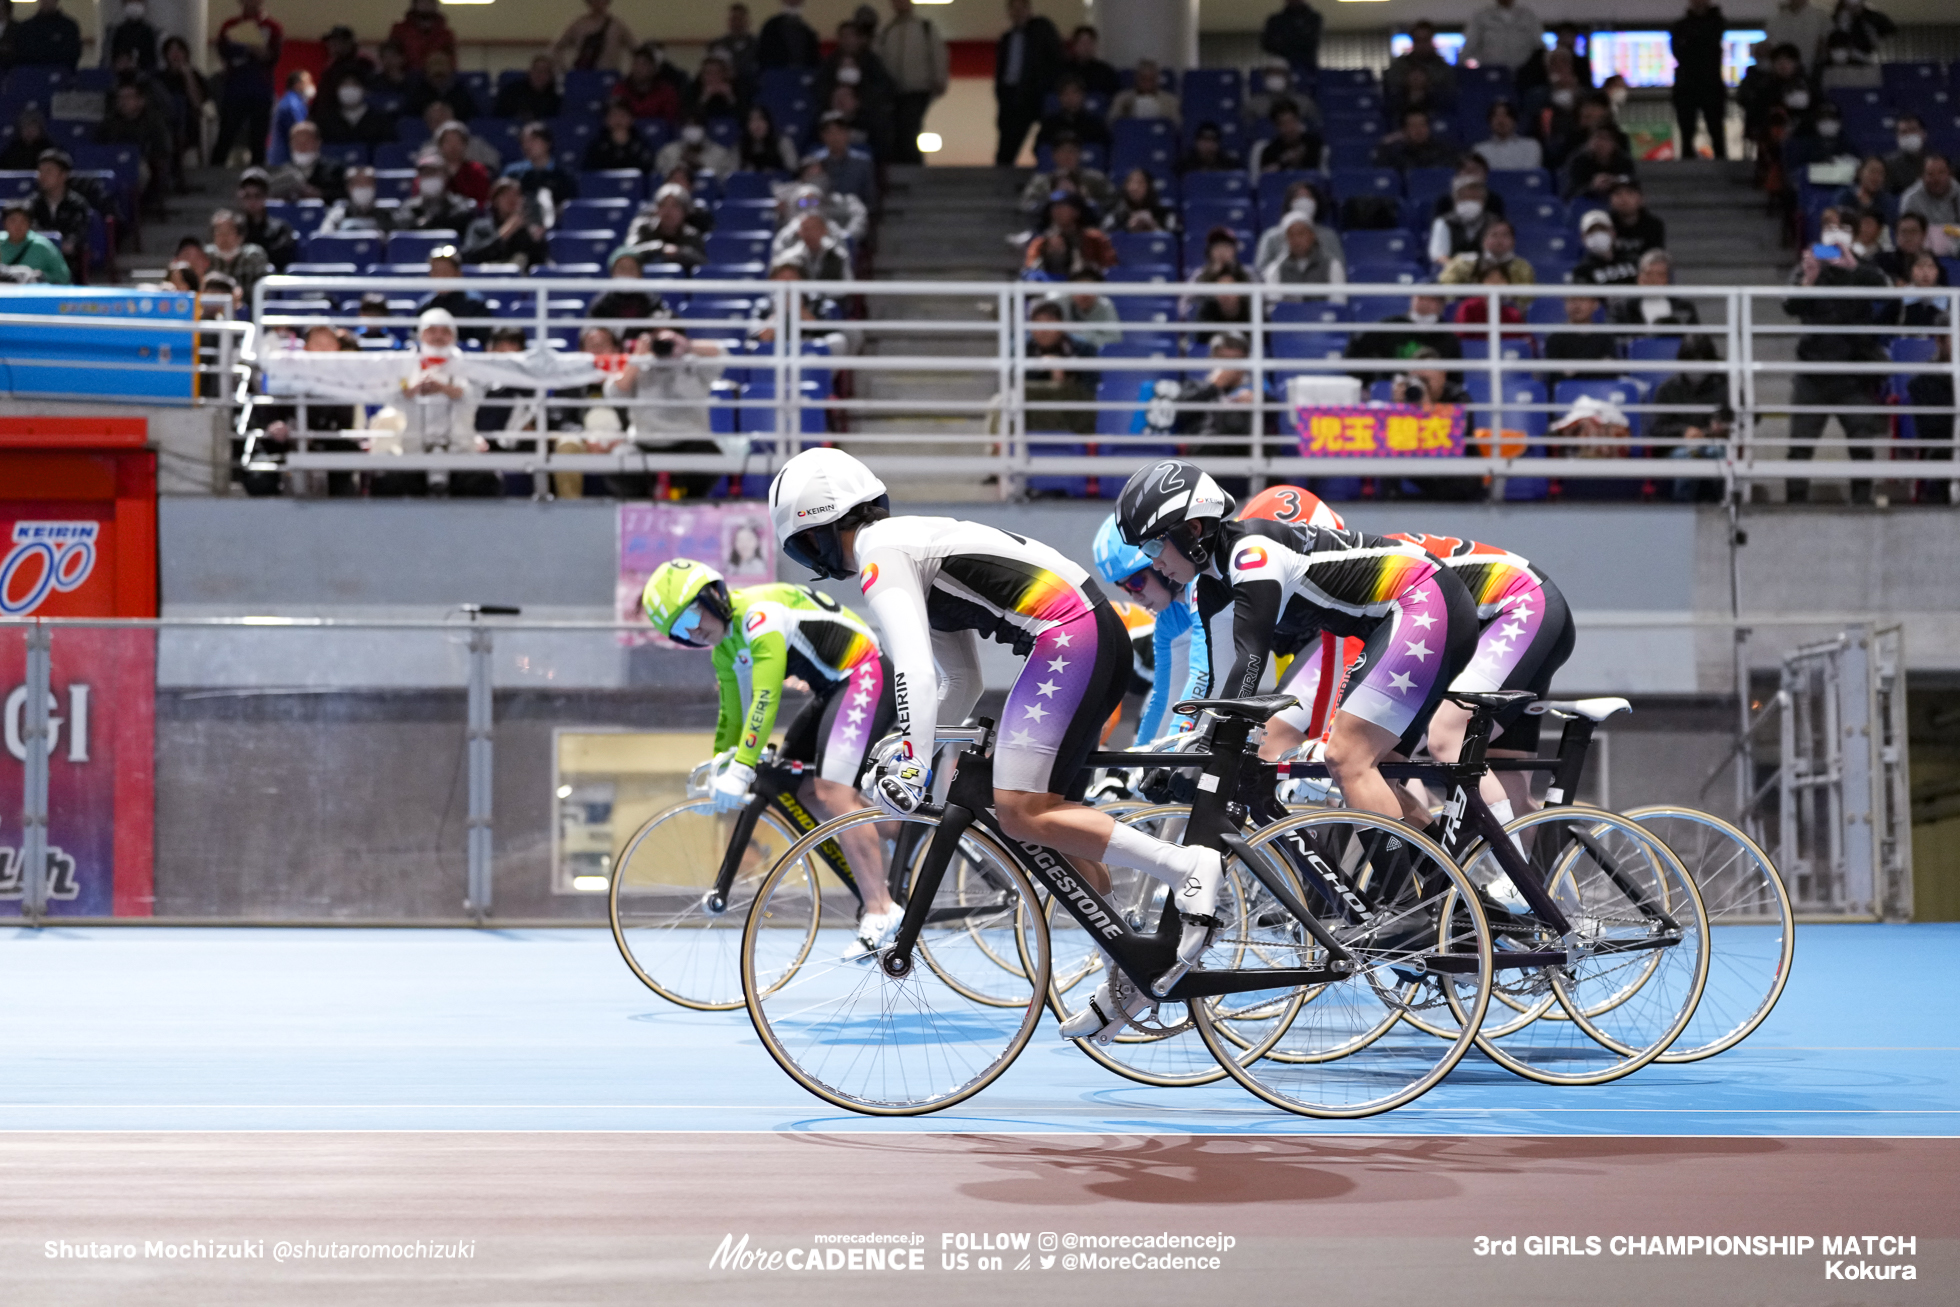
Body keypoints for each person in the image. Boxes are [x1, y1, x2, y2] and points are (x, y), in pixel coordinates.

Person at [768, 447, 1229, 1044]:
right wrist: (908, 747)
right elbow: (960, 682)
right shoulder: (910, 546)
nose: (813, 560)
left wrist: (911, 758)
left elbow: (911, 670)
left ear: (820, 532)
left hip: (1071, 638)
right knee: (1053, 825)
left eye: (804, 548)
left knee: (1018, 811)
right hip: (1086, 634)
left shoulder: (882, 552)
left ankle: (1187, 867)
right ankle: (1131, 966)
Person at [1115, 459, 1478, 830]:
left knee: (1346, 759)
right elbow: (1222, 687)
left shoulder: (1252, 553)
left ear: (1192, 529)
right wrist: (1187, 757)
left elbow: (1250, 660)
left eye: (1155, 544)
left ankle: (1398, 871)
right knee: (1379, 775)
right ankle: (1434, 865)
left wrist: (1205, 755)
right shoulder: (1212, 586)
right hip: (1412, 611)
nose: (1154, 562)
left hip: (1424, 598)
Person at [641, 560, 903, 951]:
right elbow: (733, 716)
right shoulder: (724, 651)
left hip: (865, 671)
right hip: (834, 687)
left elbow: (765, 698)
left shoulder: (759, 615)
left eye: (691, 616)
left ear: (712, 596)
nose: (693, 631)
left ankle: (881, 908)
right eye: (680, 631)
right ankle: (901, 831)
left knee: (833, 791)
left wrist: (743, 767)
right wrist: (722, 765)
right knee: (804, 790)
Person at [1089, 514, 1212, 745]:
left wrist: (1171, 750)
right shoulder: (1169, 620)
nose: (1135, 596)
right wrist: (1139, 758)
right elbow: (1163, 700)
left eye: (1136, 583)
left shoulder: (1204, 586)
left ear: (1157, 564)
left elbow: (1202, 676)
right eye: (1125, 588)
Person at [1783, 241, 1889, 502]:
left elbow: (1886, 291)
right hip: (1813, 373)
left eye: (1840, 233)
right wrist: (1809, 280)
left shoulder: (1862, 268)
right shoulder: (1808, 267)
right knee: (1800, 446)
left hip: (1854, 373)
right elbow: (1790, 306)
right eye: (1828, 233)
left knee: (1862, 443)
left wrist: (1853, 269)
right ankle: (1794, 506)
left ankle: (1862, 504)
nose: (1833, 242)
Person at [1648, 334, 1733, 500]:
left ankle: (1724, 504)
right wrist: (1684, 431)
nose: (1697, 368)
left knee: (1721, 455)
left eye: (1702, 362)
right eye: (1692, 362)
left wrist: (1726, 424)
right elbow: (1657, 428)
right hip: (1678, 448)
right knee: (1687, 457)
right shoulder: (1667, 389)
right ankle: (1683, 508)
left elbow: (1752, 414)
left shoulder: (1725, 387)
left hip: (1713, 444)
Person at [876, 0, 950, 166]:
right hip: (893, 90)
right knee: (897, 129)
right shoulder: (887, 30)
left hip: (918, 87)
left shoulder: (925, 27)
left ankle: (912, 166)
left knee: (909, 127)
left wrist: (939, 77)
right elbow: (879, 58)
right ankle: (902, 165)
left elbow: (938, 53)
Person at [994, 0, 1064, 168]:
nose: (1018, 13)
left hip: (1036, 94)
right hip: (1011, 97)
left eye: (1021, 9)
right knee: (1008, 145)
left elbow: (1057, 59)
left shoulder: (1041, 31)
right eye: (1014, 9)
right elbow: (1002, 70)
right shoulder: (1007, 38)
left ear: (1029, 10)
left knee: (1045, 139)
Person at [214, 0, 283, 168]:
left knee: (258, 138)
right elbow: (222, 50)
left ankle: (257, 174)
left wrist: (262, 53)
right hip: (235, 88)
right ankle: (214, 172)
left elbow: (274, 57)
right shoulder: (230, 25)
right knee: (226, 134)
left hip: (260, 89)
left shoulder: (272, 27)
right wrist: (246, 49)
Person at [1344, 292, 1462, 385]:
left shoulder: (1448, 338)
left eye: (1433, 300)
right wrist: (1364, 387)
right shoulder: (1390, 327)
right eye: (1421, 297)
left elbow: (1455, 380)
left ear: (1441, 305)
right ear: (1413, 299)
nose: (1425, 303)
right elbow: (1356, 350)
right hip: (1389, 396)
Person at [96, 77, 174, 213]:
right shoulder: (109, 122)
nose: (123, 102)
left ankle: (132, 208)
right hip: (111, 162)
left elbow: (162, 148)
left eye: (128, 97)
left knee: (142, 172)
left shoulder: (153, 121)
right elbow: (97, 145)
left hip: (141, 163)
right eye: (120, 98)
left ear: (140, 100)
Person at [1671, 0, 1730, 159]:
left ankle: (1720, 163)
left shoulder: (1715, 24)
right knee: (1687, 131)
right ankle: (1690, 160)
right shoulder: (1682, 26)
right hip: (1691, 85)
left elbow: (1684, 51)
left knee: (1715, 130)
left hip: (1707, 84)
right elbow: (1679, 51)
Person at [30, 150, 91, 283]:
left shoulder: (77, 205)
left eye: (49, 171)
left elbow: (76, 236)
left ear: (63, 175)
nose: (42, 176)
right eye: (40, 171)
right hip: (37, 262)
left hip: (69, 263)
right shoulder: (32, 204)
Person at [461, 177, 549, 270]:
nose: (512, 199)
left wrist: (537, 241)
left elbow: (539, 263)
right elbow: (470, 257)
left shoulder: (526, 232)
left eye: (516, 194)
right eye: (505, 194)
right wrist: (506, 232)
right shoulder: (479, 227)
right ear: (495, 200)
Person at [1252, 179, 1341, 269]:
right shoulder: (1271, 237)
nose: (1304, 201)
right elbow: (1261, 268)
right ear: (1289, 202)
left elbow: (1338, 266)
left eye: (1308, 197)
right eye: (1298, 197)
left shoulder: (1329, 236)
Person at [1020, 134, 1114, 219]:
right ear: (1054, 155)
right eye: (1062, 151)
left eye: (1071, 151)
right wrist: (1050, 202)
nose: (1067, 156)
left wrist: (1088, 202)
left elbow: (1112, 203)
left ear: (1079, 154)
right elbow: (1026, 205)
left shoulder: (1095, 178)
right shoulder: (1041, 181)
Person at [1609, 249, 1700, 329]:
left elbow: (1695, 339)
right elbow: (1616, 339)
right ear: (1639, 277)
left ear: (1668, 279)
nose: (1653, 280)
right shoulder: (1622, 309)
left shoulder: (1684, 308)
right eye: (1649, 274)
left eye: (1660, 275)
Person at [1541, 294, 1616, 387]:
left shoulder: (1605, 336)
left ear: (1595, 304)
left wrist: (1575, 368)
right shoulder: (1554, 338)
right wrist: (1596, 365)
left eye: (1582, 299)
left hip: (1600, 391)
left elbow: (1611, 372)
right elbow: (1555, 378)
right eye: (1572, 300)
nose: (1577, 305)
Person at [627, 185, 708, 269]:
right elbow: (628, 251)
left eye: (675, 206)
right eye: (663, 205)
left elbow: (703, 263)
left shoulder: (692, 235)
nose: (668, 211)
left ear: (685, 211)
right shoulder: (643, 228)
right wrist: (659, 248)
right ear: (656, 209)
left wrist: (678, 253)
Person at [1386, 20, 1458, 115]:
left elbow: (1450, 95)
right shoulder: (1399, 66)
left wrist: (1427, 86)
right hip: (1402, 114)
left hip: (1436, 113)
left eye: (1425, 40)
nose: (1422, 45)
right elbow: (1390, 92)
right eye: (1418, 40)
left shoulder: (1443, 68)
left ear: (1431, 40)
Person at [505, 124, 580, 214]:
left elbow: (570, 206)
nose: (527, 146)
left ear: (548, 143)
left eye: (533, 140)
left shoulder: (564, 176)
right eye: (523, 141)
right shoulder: (512, 173)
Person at [234, 168, 298, 272]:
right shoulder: (234, 229)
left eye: (257, 196)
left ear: (266, 196)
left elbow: (280, 259)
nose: (252, 201)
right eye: (247, 196)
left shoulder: (281, 229)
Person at [396, 153, 480, 232]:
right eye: (425, 173)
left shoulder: (459, 205)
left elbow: (460, 221)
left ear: (445, 176)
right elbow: (403, 225)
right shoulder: (410, 207)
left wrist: (429, 221)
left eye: (433, 172)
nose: (429, 177)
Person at [808, 112, 876, 208]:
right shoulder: (814, 162)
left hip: (854, 212)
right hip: (823, 212)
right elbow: (806, 198)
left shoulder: (863, 163)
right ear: (822, 136)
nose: (835, 137)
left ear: (848, 133)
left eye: (840, 131)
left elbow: (870, 199)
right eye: (830, 132)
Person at [268, 122, 346, 203]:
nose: (302, 147)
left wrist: (321, 195)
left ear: (318, 143)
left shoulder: (334, 170)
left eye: (307, 142)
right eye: (297, 142)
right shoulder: (281, 172)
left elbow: (343, 195)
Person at [1440, 217, 1534, 284]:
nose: (1499, 240)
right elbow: (1446, 288)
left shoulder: (1523, 268)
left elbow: (1526, 299)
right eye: (1494, 235)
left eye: (1505, 235)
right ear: (1483, 240)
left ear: (1513, 241)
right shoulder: (1463, 263)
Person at [1260, 212, 1344, 287]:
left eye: (1301, 233)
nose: (1296, 240)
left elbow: (1338, 298)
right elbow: (1274, 299)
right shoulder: (1275, 269)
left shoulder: (1332, 266)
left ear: (1312, 235)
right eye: (1291, 235)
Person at [1428, 176, 1496, 267]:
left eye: (1475, 198)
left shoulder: (1494, 223)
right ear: (1456, 199)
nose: (1470, 202)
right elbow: (1438, 255)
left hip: (1487, 272)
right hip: (1451, 272)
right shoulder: (1444, 222)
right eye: (1466, 198)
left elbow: (1499, 254)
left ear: (1483, 200)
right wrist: (1459, 270)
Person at [555, 0, 636, 74]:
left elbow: (636, 51)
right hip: (583, 77)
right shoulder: (579, 25)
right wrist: (566, 72)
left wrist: (631, 76)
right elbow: (558, 48)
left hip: (609, 77)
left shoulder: (617, 26)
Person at [316, 75, 396, 149]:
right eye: (344, 85)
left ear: (364, 90)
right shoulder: (325, 121)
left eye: (354, 84)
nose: (349, 90)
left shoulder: (380, 120)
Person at [1463, 0, 1544, 72]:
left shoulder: (1528, 16)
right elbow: (1470, 45)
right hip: (1491, 72)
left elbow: (1539, 45)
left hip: (1523, 73)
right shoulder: (1482, 16)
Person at [0, 201, 70, 284]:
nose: (18, 226)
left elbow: (63, 276)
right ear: (4, 223)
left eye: (23, 221)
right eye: (13, 221)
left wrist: (41, 277)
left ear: (30, 224)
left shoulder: (43, 246)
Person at [1038, 76, 1112, 153]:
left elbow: (1105, 149)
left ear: (1083, 95)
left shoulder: (1095, 124)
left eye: (1074, 93)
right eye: (1066, 94)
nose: (1070, 98)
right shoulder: (1049, 124)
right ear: (1059, 97)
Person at [205, 208, 269, 297]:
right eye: (218, 232)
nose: (223, 237)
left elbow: (263, 292)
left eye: (228, 232)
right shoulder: (205, 256)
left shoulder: (253, 256)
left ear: (240, 236)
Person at [1563, 125, 1636, 200]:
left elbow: (1631, 179)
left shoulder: (1624, 160)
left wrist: (1615, 180)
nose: (1600, 143)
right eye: (1597, 137)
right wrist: (1592, 186)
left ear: (1614, 143)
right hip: (1587, 200)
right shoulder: (1579, 160)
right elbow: (1572, 191)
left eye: (1605, 139)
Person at [1374, 107, 1457, 173]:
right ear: (1404, 130)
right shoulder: (1394, 155)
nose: (1418, 130)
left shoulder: (1444, 150)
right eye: (1413, 125)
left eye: (1422, 124)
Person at [1256, 100, 1327, 173]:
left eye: (1292, 121)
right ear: (1276, 126)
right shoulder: (1269, 151)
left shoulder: (1313, 143)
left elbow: (1317, 171)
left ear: (1298, 120)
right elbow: (1267, 174)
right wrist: (1284, 161)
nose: (1289, 128)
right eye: (1283, 124)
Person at [388, 0, 455, 73]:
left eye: (430, 2)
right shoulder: (399, 31)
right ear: (415, 4)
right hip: (405, 76)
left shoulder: (445, 35)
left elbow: (451, 61)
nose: (426, 5)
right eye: (422, 1)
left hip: (435, 77)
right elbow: (392, 57)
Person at [1109, 60, 1181, 129]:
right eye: (1143, 78)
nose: (1147, 83)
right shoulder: (1121, 99)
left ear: (1157, 79)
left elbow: (1177, 126)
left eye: (1151, 79)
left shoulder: (1170, 101)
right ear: (1136, 78)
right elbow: (1111, 123)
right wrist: (1126, 114)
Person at [320, 167, 393, 233]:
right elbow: (325, 238)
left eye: (367, 183)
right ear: (348, 187)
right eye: (358, 183)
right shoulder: (337, 215)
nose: (362, 187)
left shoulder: (387, 216)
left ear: (374, 186)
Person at [1104, 167, 1176, 234]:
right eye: (1130, 183)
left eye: (1140, 183)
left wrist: (1153, 226)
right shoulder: (1116, 216)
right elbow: (1105, 238)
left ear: (1149, 187)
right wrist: (1128, 228)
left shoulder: (1165, 214)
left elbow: (1174, 239)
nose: (1134, 187)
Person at [1260, 0, 1324, 75]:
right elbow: (1267, 43)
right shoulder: (1275, 20)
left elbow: (1310, 42)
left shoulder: (1313, 18)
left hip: (1306, 67)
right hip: (1280, 66)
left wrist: (1282, 42)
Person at [13, 0, 82, 70]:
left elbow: (72, 54)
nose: (46, 2)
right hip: (31, 72)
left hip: (60, 71)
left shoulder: (68, 27)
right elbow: (20, 53)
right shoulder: (26, 28)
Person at [1475, 100, 1541, 172]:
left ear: (1514, 121)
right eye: (1496, 116)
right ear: (1490, 122)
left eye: (1506, 115)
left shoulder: (1530, 146)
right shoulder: (1480, 150)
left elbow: (1529, 174)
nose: (1501, 120)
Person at [1901, 154, 1960, 234]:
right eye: (1930, 174)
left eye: (1941, 173)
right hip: (1924, 241)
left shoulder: (1958, 192)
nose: (1936, 179)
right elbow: (1909, 233)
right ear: (1922, 177)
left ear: (1950, 174)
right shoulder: (1911, 199)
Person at [268, 70, 314, 169]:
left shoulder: (297, 101)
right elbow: (300, 132)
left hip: (286, 157)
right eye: (307, 82)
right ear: (297, 85)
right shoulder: (291, 104)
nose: (310, 85)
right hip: (285, 159)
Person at [1834, 155, 1898, 227]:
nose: (1876, 177)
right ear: (1860, 172)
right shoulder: (1845, 196)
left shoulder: (1886, 201)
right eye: (1872, 171)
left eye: (1880, 173)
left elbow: (1888, 225)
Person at [497, 55, 563, 122]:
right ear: (529, 72)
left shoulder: (554, 100)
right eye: (536, 70)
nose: (539, 74)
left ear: (550, 76)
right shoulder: (511, 91)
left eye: (544, 71)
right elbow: (498, 117)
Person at [1060, 24, 1120, 99]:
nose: (1086, 47)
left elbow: (1116, 95)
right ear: (1075, 45)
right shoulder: (1064, 70)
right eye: (1082, 43)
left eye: (1089, 42)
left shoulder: (1106, 71)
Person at [1766, 0, 1830, 69]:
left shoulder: (1820, 17)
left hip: (1811, 68)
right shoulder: (1776, 19)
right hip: (1781, 71)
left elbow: (1828, 45)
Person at [758, 0, 821, 70]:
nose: (793, 2)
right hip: (776, 72)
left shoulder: (807, 31)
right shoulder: (771, 27)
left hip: (803, 72)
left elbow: (813, 59)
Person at [103, 1, 160, 72]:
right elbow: (106, 60)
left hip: (147, 74)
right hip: (119, 75)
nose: (134, 5)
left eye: (137, 1)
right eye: (130, 1)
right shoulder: (114, 32)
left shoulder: (152, 33)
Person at [1884, 114, 1928, 195]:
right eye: (1904, 132)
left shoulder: (1936, 161)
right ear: (1897, 137)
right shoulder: (1888, 164)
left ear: (1923, 134)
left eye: (1913, 130)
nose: (1909, 135)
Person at [1178, 122, 1243, 175]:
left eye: (1212, 141)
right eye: (1204, 140)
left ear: (1218, 144)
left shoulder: (1229, 165)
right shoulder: (1184, 165)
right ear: (1196, 142)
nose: (1208, 145)